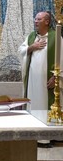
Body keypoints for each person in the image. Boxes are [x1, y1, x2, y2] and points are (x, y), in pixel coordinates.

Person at [19, 11, 63, 148]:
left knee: (47, 106)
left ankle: (48, 137)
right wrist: (31, 47)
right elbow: (20, 50)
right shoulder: (32, 37)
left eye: (39, 19)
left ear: (47, 21)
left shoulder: (56, 38)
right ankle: (35, 136)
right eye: (35, 19)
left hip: (48, 83)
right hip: (33, 82)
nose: (35, 21)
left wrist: (56, 77)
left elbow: (62, 57)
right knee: (34, 105)